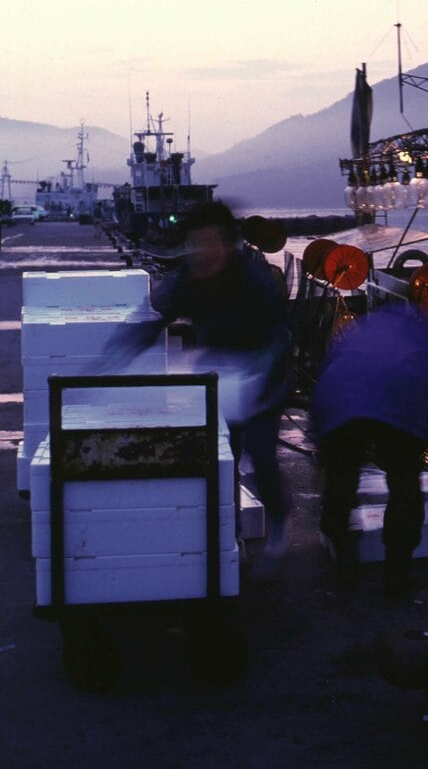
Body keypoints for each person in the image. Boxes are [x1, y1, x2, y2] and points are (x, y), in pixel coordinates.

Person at [113, 200, 293, 555]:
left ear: (228, 244)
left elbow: (281, 335)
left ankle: (279, 518)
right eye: (194, 243)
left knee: (261, 456)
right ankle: (232, 535)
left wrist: (260, 376)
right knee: (222, 458)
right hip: (218, 381)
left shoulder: (254, 279)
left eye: (210, 241)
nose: (202, 252)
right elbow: (151, 321)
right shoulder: (186, 280)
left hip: (263, 382)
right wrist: (113, 360)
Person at [311, 299, 428, 598]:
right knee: (404, 488)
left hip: (340, 404)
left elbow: (329, 371)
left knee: (341, 481)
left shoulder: (361, 328)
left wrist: (319, 436)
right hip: (401, 406)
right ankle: (396, 577)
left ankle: (345, 563)